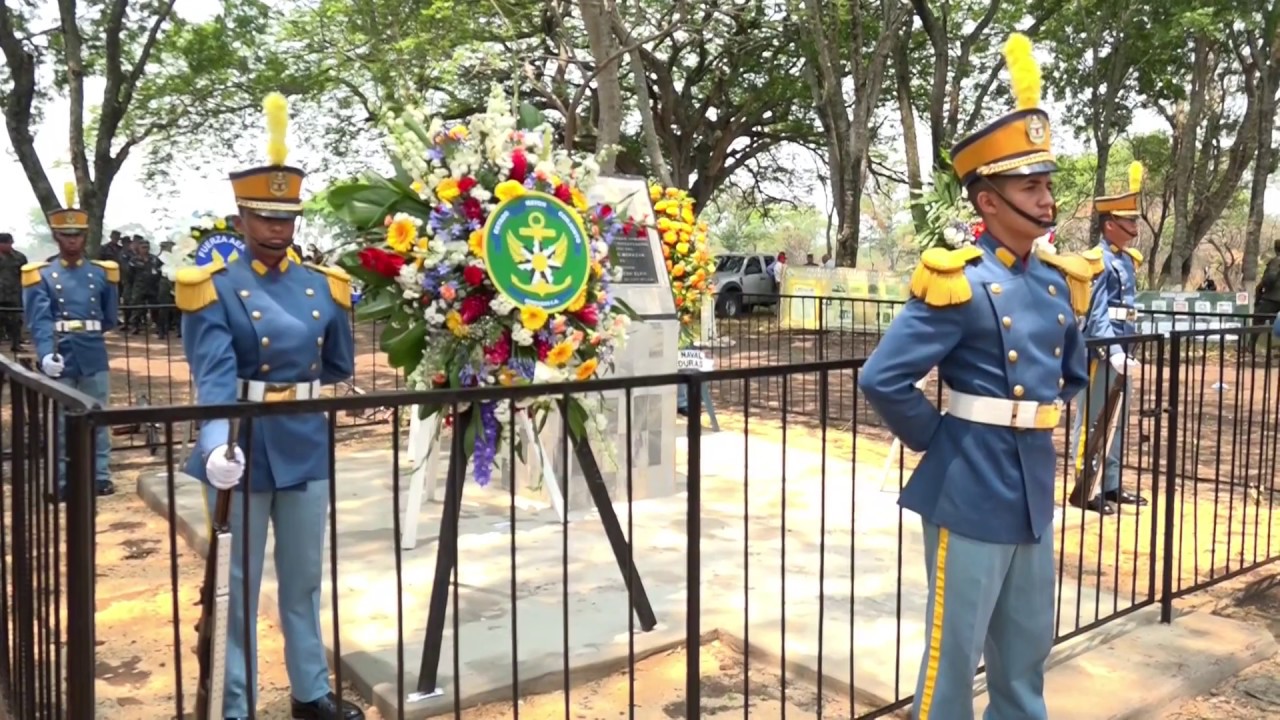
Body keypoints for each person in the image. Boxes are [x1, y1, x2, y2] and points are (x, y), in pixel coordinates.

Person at [857, 34, 1092, 720]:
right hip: (967, 487)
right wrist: (945, 438)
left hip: (1031, 485)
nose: (1047, 201)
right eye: (1031, 187)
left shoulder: (1054, 283)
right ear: (988, 202)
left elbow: (1068, 373)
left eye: (1047, 185)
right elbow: (884, 377)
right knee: (953, 656)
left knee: (1025, 654)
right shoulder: (957, 281)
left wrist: (1031, 420)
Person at [177, 92, 361, 720]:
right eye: (265, 217)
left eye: (286, 218)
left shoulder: (323, 285)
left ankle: (310, 693)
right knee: (236, 585)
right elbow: (213, 380)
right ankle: (237, 705)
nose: (278, 229)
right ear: (241, 217)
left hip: (304, 440)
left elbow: (338, 364)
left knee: (304, 581)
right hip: (242, 447)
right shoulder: (215, 289)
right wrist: (213, 444)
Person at [22, 183, 119, 499]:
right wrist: (47, 352)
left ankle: (100, 475)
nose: (73, 240)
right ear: (56, 237)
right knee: (60, 422)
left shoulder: (102, 274)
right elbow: (40, 320)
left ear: (85, 236)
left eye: (78, 234)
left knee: (98, 416)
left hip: (92, 351)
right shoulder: (42, 276)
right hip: (61, 353)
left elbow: (108, 318)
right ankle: (61, 480)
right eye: (66, 235)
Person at [1067, 164, 1149, 515]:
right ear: (1109, 225)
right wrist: (1114, 351)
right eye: (1128, 223)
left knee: (1117, 419)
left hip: (1122, 348)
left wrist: (1130, 343)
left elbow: (1125, 310)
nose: (1133, 229)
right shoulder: (1096, 261)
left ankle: (1111, 483)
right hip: (1101, 353)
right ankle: (1085, 486)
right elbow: (1098, 314)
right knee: (1093, 421)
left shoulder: (1126, 261)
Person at [126, 238, 163, 335]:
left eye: (147, 247)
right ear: (138, 248)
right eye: (143, 247)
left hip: (153, 287)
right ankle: (135, 326)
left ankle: (158, 327)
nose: (145, 249)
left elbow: (160, 271)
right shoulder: (134, 260)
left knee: (155, 308)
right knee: (137, 308)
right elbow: (129, 275)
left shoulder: (155, 259)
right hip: (139, 287)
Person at [0, 233, 29, 352]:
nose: (8, 246)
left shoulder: (19, 257)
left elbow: (26, 274)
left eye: (10, 243)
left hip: (14, 294)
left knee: (16, 320)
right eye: (5, 243)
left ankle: (16, 344)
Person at [1252, 239, 1280, 353]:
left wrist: (1262, 287)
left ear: (1276, 249)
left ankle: (1251, 346)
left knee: (1258, 320)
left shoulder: (1276, 261)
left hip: (1273, 297)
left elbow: (1270, 278)